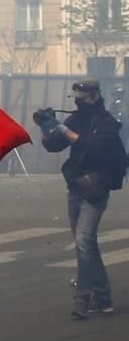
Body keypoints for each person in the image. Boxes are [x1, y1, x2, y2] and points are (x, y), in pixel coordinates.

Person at [34, 77, 128, 319]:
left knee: (84, 239)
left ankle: (83, 298)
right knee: (85, 243)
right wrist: (46, 126)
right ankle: (103, 297)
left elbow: (92, 147)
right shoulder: (76, 118)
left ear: (94, 97)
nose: (78, 104)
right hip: (76, 186)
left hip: (96, 188)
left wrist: (63, 128)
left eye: (82, 99)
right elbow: (54, 146)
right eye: (76, 100)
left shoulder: (106, 123)